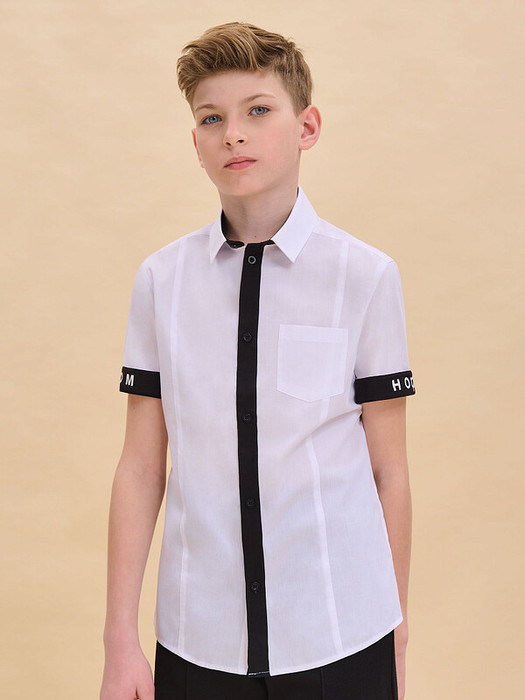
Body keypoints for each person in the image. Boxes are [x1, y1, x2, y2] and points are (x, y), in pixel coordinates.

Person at [100, 21, 415, 700]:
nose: (233, 135)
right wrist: (119, 641)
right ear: (195, 142)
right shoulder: (161, 281)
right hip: (197, 637)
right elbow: (140, 467)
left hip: (341, 630)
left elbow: (387, 470)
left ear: (307, 127)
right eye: (211, 118)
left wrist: (394, 627)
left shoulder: (364, 276)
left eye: (258, 111)